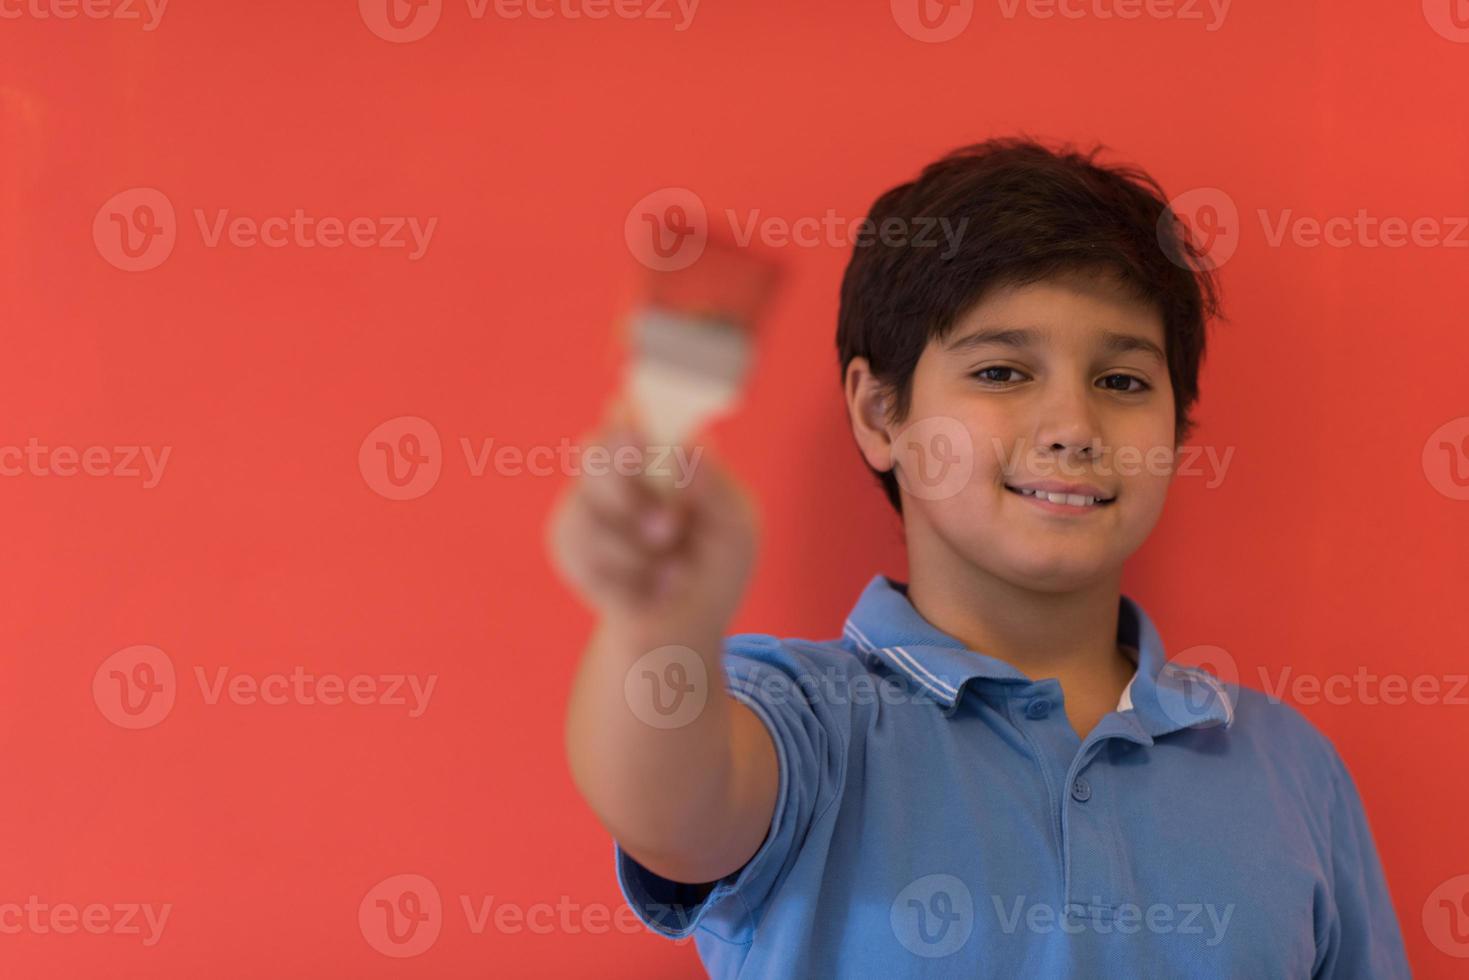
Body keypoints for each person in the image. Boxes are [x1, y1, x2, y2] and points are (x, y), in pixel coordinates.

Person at [549, 136, 1410, 977]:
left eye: (1122, 381)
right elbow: (670, 807)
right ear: (880, 414)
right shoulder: (802, 719)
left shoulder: (1287, 766)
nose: (1073, 427)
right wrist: (659, 620)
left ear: (1178, 430)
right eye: (1001, 372)